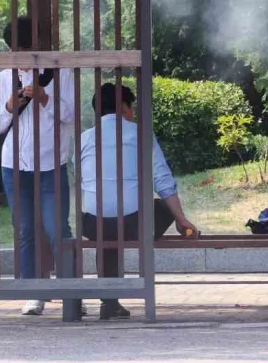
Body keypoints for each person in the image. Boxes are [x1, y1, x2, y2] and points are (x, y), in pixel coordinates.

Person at [79, 83, 198, 320]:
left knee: (107, 230)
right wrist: (180, 219)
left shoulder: (84, 138)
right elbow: (162, 179)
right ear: (124, 107)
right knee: (158, 208)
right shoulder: (141, 134)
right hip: (135, 225)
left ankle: (109, 300)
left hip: (93, 225)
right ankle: (113, 299)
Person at [0, 16, 76, 317]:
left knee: (57, 228)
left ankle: (71, 293)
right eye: (14, 50)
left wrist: (45, 98)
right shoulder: (2, 78)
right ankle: (33, 293)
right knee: (25, 229)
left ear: (36, 47)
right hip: (13, 165)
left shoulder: (58, 73)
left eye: (24, 50)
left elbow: (70, 115)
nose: (20, 58)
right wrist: (10, 106)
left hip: (52, 163)